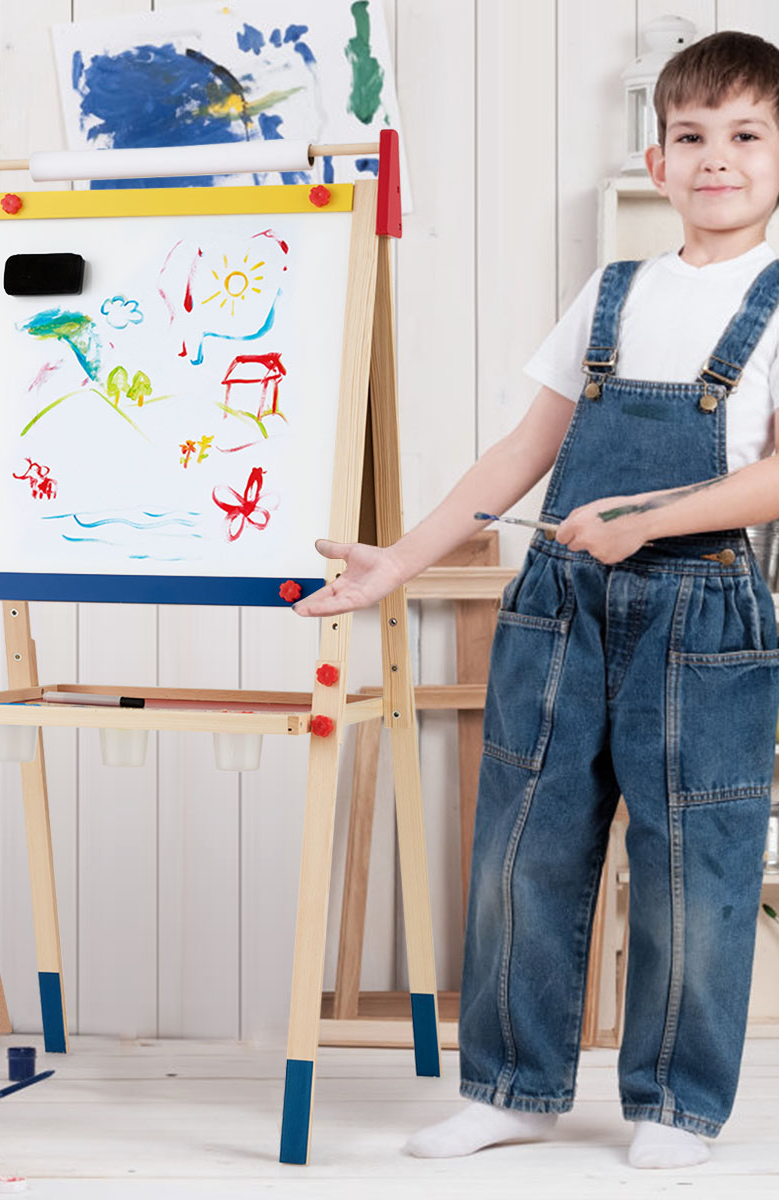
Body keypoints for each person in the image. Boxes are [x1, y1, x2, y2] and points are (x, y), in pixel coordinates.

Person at [295, 30, 779, 1171]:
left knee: (689, 864)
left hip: (702, 614)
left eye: (747, 136)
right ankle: (514, 1084)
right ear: (655, 160)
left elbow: (771, 476)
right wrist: (399, 560)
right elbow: (522, 452)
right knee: (526, 848)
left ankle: (675, 1103)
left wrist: (643, 520)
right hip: (558, 608)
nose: (718, 159)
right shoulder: (614, 291)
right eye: (692, 137)